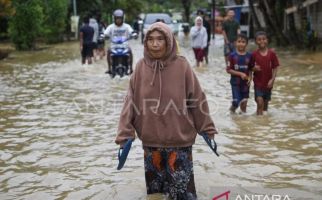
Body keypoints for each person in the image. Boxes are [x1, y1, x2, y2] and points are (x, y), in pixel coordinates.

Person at [115, 22, 217, 200]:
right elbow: (129, 103)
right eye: (151, 40)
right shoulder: (140, 67)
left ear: (169, 41)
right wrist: (124, 135)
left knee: (183, 195)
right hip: (151, 143)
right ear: (145, 43)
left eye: (160, 39)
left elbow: (197, 99)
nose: (155, 44)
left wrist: (207, 129)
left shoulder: (182, 66)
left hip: (180, 143)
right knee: (156, 195)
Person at [251, 31, 279, 115]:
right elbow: (249, 67)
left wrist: (272, 79)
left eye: (264, 39)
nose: (262, 41)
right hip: (258, 83)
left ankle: (264, 123)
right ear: (256, 41)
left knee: (265, 107)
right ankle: (259, 123)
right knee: (260, 102)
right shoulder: (254, 54)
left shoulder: (272, 54)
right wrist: (253, 68)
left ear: (267, 40)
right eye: (259, 40)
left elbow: (275, 67)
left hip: (268, 84)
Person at [226, 34, 253, 113]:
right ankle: (231, 112)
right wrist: (240, 74)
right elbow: (228, 70)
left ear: (247, 44)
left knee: (244, 104)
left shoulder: (250, 56)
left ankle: (242, 122)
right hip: (235, 83)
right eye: (239, 41)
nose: (241, 44)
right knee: (236, 102)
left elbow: (251, 68)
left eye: (243, 42)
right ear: (235, 43)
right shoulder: (232, 56)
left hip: (245, 83)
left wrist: (250, 78)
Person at [104, 9, 134, 74]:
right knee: (108, 51)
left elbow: (132, 32)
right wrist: (103, 36)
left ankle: (131, 68)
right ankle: (109, 68)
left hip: (124, 45)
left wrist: (134, 34)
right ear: (114, 19)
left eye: (120, 18)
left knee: (130, 51)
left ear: (123, 18)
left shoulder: (127, 26)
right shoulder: (111, 27)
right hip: (114, 46)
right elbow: (105, 33)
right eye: (117, 18)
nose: (118, 20)